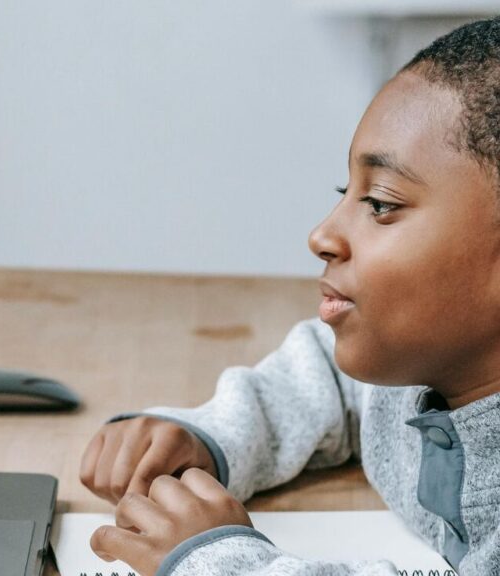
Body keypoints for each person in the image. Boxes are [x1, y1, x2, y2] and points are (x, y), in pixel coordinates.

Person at [80, 17, 500, 576]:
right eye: (342, 193)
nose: (321, 235)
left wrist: (213, 560)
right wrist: (214, 438)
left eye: (378, 204)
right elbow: (332, 378)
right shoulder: (425, 368)